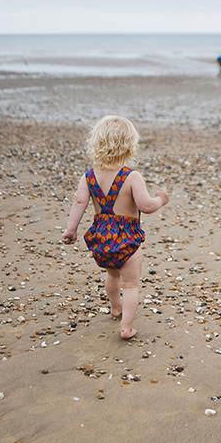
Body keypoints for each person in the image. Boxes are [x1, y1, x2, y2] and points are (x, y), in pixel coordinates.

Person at [62, 115, 169, 339]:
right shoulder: (131, 177)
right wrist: (161, 200)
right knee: (131, 285)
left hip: (101, 238)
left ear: (97, 143)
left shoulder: (89, 176)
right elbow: (146, 206)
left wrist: (71, 229)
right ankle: (126, 327)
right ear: (130, 145)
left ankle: (115, 307)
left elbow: (79, 202)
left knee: (112, 276)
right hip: (127, 239)